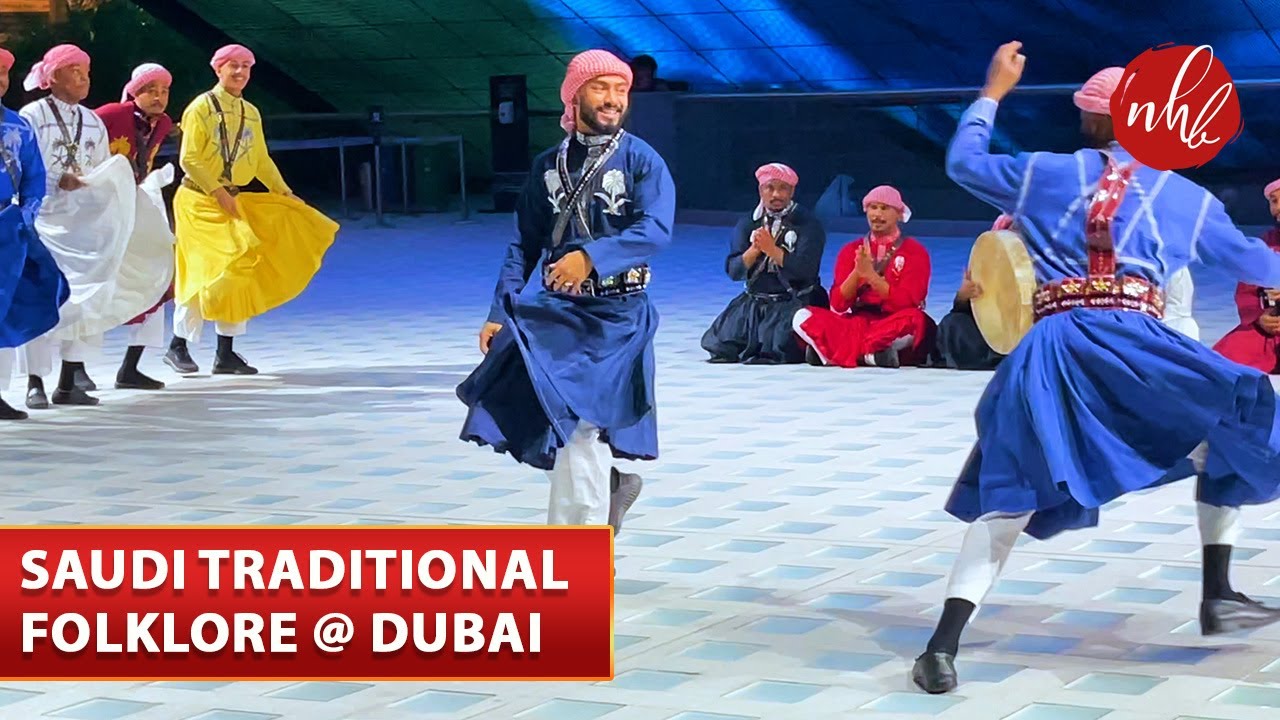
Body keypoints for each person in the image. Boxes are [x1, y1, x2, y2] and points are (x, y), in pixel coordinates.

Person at [911, 44, 1280, 696]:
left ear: (1088, 121)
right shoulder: (1183, 197)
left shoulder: (1043, 173)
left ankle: (941, 647)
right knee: (1228, 432)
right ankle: (1218, 591)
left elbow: (964, 161)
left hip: (1053, 349)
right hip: (1137, 346)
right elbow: (1259, 265)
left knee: (1011, 490)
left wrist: (993, 91)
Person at [457, 49, 675, 535]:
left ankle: (581, 546)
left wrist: (591, 257)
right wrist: (498, 311)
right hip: (557, 312)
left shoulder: (642, 159)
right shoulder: (547, 165)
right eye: (601, 88)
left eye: (621, 89)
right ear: (574, 96)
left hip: (618, 314)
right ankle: (608, 493)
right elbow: (524, 242)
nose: (613, 99)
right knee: (553, 420)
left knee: (581, 427)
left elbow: (656, 230)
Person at [163, 44, 338, 376]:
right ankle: (178, 344)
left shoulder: (250, 112)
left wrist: (284, 192)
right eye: (234, 65)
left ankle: (225, 353)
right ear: (218, 69)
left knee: (239, 268)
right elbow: (190, 158)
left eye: (246, 66)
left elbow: (259, 159)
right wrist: (216, 191)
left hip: (232, 198)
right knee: (202, 270)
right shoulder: (201, 107)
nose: (240, 72)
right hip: (198, 200)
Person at [17, 44, 145, 408]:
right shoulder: (33, 115)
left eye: (86, 71)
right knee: (41, 297)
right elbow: (23, 163)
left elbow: (101, 167)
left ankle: (69, 379)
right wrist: (57, 180)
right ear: (53, 75)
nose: (84, 78)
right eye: (74, 70)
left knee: (85, 298)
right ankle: (35, 381)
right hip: (43, 220)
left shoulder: (92, 121)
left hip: (82, 224)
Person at [95, 62, 177, 390]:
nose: (159, 97)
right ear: (134, 92)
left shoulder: (163, 123)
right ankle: (72, 370)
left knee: (157, 278)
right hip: (97, 207)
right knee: (90, 287)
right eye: (150, 90)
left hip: (134, 205)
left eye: (164, 91)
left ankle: (131, 367)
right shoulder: (112, 114)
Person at [793, 185, 936, 368]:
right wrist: (857, 273)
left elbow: (908, 302)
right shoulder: (851, 250)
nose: (877, 214)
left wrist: (872, 277)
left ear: (899, 214)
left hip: (892, 322)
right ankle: (871, 355)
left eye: (884, 208)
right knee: (803, 315)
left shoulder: (915, 252)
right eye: (873, 207)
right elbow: (838, 304)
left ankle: (831, 352)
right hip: (856, 324)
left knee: (918, 321)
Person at [0, 46, 69, 419]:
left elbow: (34, 179)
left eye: (3, 73)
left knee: (6, 308)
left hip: (6, 228)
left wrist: (24, 218)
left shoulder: (18, 126)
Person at [701, 162, 827, 364]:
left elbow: (806, 271)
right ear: (761, 190)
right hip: (756, 301)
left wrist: (773, 250)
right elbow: (734, 272)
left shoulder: (808, 224)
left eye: (783, 188)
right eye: (770, 188)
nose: (776, 194)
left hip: (794, 300)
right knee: (722, 344)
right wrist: (754, 250)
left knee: (778, 347)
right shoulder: (748, 223)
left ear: (792, 191)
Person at [1210, 179, 1280, 372]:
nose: (1278, 208)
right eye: (1274, 201)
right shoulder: (1265, 244)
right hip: (1270, 331)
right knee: (1220, 362)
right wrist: (1260, 318)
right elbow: (1246, 292)